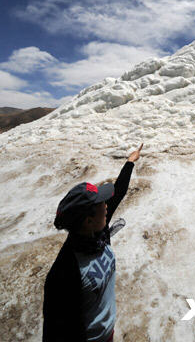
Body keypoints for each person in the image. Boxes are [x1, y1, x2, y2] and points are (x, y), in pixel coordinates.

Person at [42, 144, 143, 342]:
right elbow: (55, 331)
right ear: (88, 220)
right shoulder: (64, 273)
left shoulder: (97, 232)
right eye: (102, 204)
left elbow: (119, 190)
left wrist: (130, 161)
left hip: (108, 333)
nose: (107, 206)